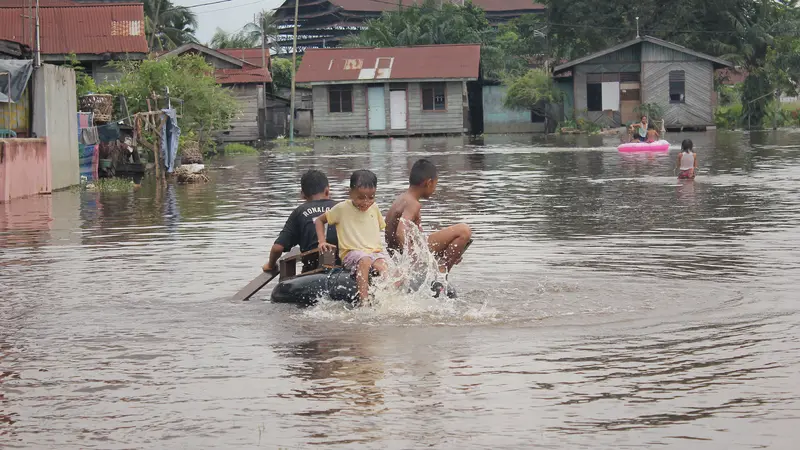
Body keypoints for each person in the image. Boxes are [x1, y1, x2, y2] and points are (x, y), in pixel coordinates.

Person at [385, 159, 472, 275]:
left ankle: (440, 264)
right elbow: (401, 232)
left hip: (402, 251)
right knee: (464, 231)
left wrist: (450, 252)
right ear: (429, 183)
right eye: (435, 185)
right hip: (411, 253)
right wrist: (413, 259)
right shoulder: (413, 204)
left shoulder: (402, 199)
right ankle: (441, 274)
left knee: (454, 244)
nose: (434, 190)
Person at [315, 169, 389, 303]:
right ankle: (363, 301)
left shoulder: (375, 208)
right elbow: (319, 221)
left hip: (374, 253)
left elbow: (378, 229)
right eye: (361, 197)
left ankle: (384, 301)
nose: (366, 202)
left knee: (384, 267)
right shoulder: (342, 208)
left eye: (371, 197)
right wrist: (321, 241)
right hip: (351, 254)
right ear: (350, 193)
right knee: (365, 259)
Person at [262, 169, 338, 274]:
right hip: (340, 268)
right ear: (327, 190)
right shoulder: (341, 208)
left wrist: (270, 265)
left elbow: (277, 248)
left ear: (302, 194)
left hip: (312, 272)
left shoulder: (299, 212)